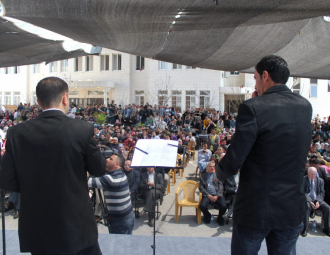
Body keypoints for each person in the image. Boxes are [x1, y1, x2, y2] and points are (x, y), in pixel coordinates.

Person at [216, 55, 312, 255]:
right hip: (290, 207)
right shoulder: (305, 107)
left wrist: (219, 172)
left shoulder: (252, 108)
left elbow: (234, 160)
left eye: (256, 78)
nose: (256, 83)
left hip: (256, 208)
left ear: (265, 76)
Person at [0, 77, 106, 254]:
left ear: (38, 101)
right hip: (75, 225)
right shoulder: (82, 129)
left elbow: (7, 181)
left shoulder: (16, 133)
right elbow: (99, 169)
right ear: (65, 98)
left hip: (37, 226)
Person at [88, 154, 135, 235]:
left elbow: (85, 181)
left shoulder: (110, 180)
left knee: (118, 245)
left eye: (111, 159)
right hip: (129, 216)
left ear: (117, 164)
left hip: (120, 222)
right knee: (127, 243)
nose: (107, 159)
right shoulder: (122, 174)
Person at [302, 167, 330, 237]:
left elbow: (322, 193)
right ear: (308, 173)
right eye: (311, 174)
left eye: (314, 174)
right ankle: (305, 228)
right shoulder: (303, 180)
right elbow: (303, 193)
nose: (313, 176)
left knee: (327, 208)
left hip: (317, 200)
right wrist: (310, 201)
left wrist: (318, 201)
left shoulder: (320, 181)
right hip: (308, 200)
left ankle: (326, 228)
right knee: (307, 207)